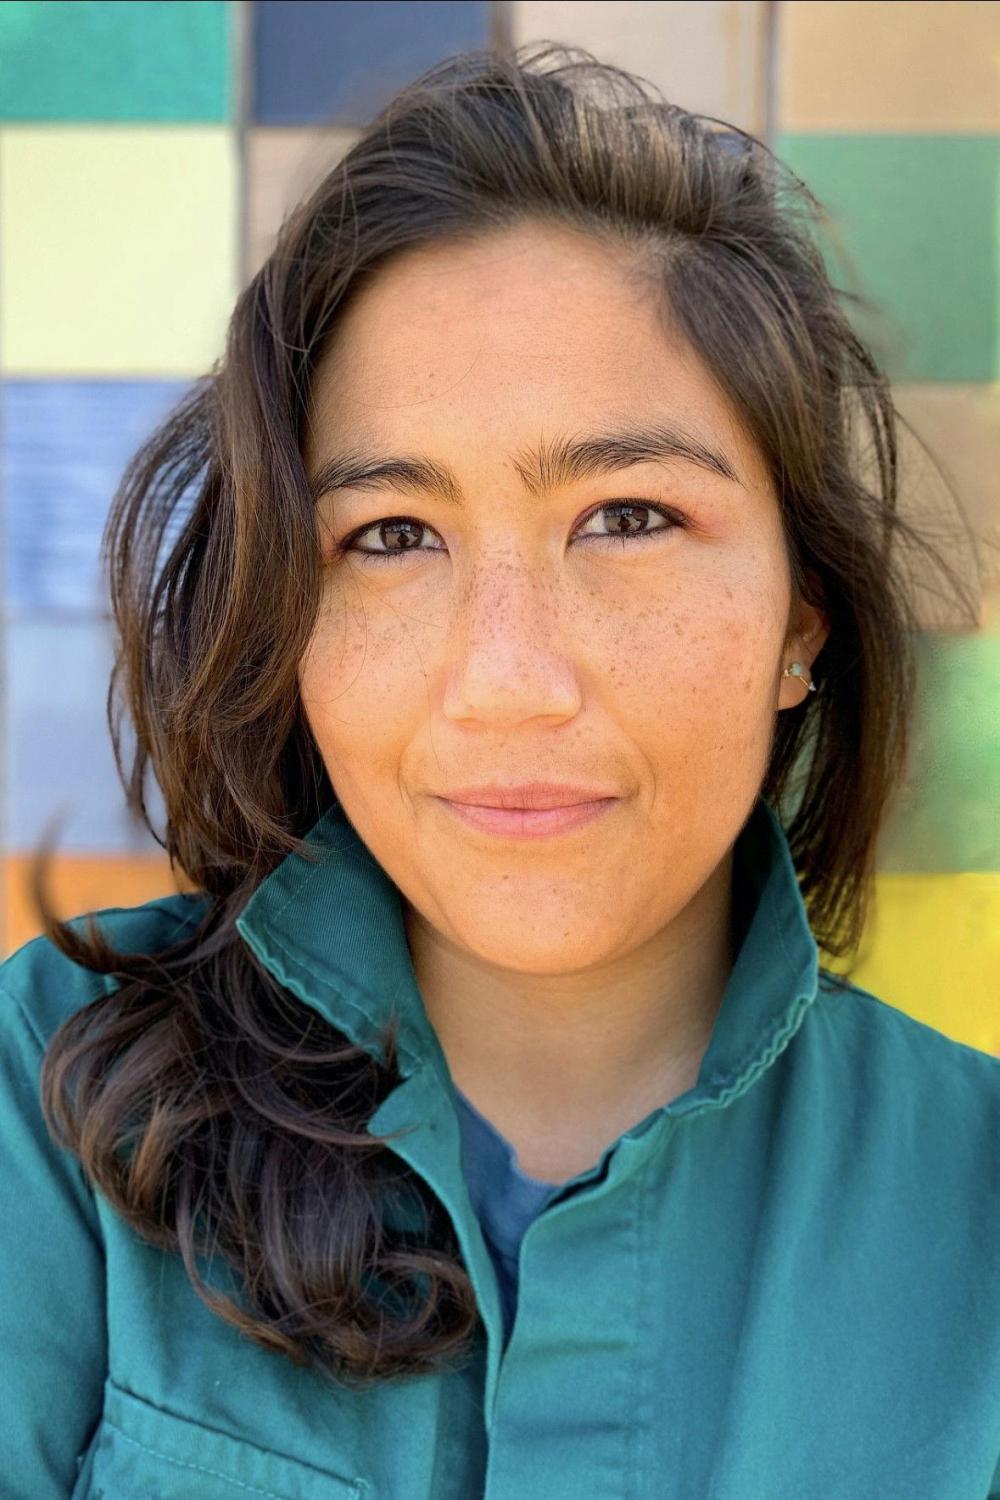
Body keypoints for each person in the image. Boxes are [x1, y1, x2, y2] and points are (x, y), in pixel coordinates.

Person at [1, 41, 997, 1500]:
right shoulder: (48, 1099)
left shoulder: (976, 1205)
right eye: (393, 537)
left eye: (628, 517)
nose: (509, 680)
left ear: (803, 614)